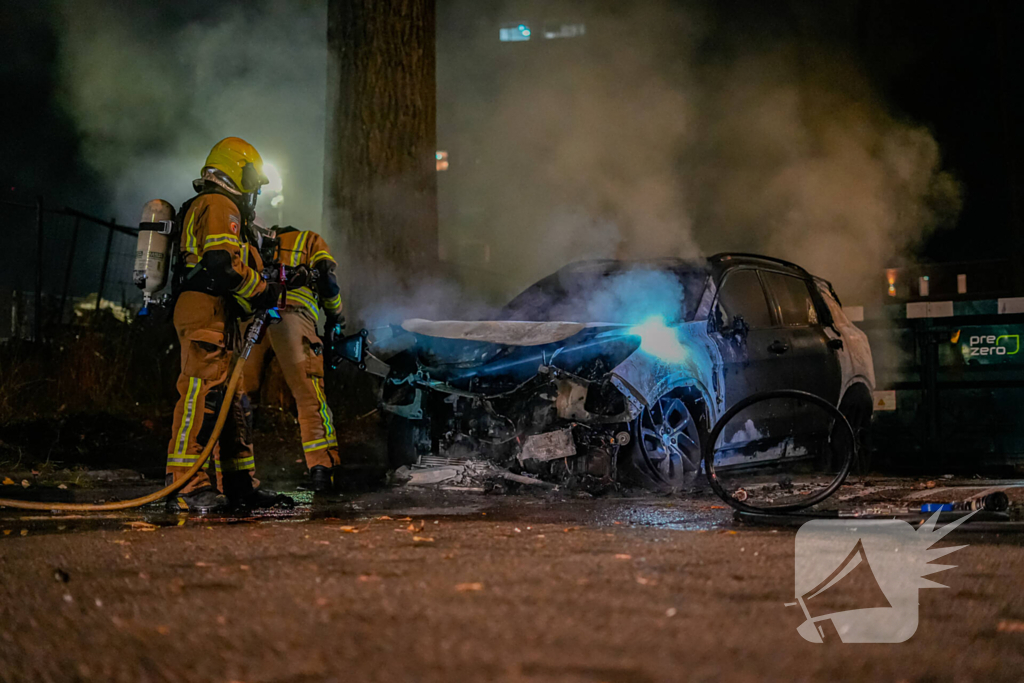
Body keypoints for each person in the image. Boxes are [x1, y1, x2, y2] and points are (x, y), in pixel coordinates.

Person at [165, 137, 294, 513]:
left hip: (219, 313)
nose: (254, 189)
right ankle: (186, 484)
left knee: (232, 404)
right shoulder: (220, 204)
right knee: (201, 396)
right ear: (235, 170)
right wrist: (261, 290)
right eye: (252, 178)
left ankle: (239, 485)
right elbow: (221, 263)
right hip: (205, 309)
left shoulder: (217, 206)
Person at [243, 224, 344, 493]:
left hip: (250, 317)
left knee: (237, 398)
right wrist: (336, 316)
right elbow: (326, 279)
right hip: (292, 316)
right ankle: (322, 469)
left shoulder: (255, 240)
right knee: (309, 395)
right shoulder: (310, 239)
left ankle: (232, 475)